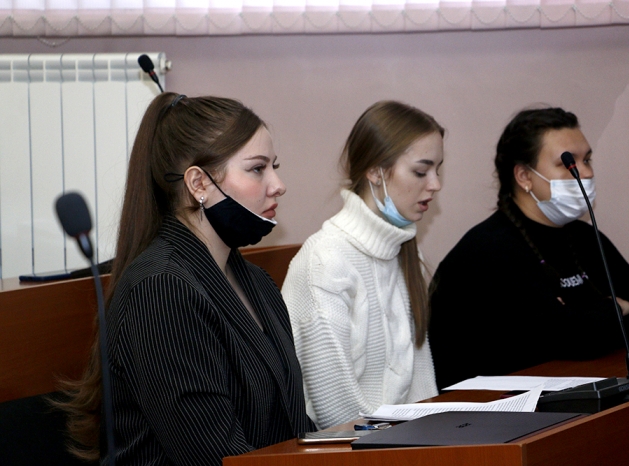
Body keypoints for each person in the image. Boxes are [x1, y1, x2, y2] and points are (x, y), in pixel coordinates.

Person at [58, 92, 315, 465]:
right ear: (199, 183)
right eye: (258, 169)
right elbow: (212, 457)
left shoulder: (257, 282)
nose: (278, 184)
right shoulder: (160, 290)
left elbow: (292, 428)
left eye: (273, 166)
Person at [429, 107, 629, 391]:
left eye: (587, 159)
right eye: (567, 163)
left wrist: (586, 318)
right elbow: (567, 341)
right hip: (497, 405)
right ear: (524, 176)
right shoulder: (487, 250)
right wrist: (618, 307)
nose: (586, 172)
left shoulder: (584, 236)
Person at [282, 101, 442, 429]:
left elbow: (423, 388)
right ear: (375, 171)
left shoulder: (406, 252)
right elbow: (335, 413)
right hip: (350, 446)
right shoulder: (325, 260)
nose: (435, 184)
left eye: (438, 170)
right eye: (421, 171)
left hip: (400, 440)